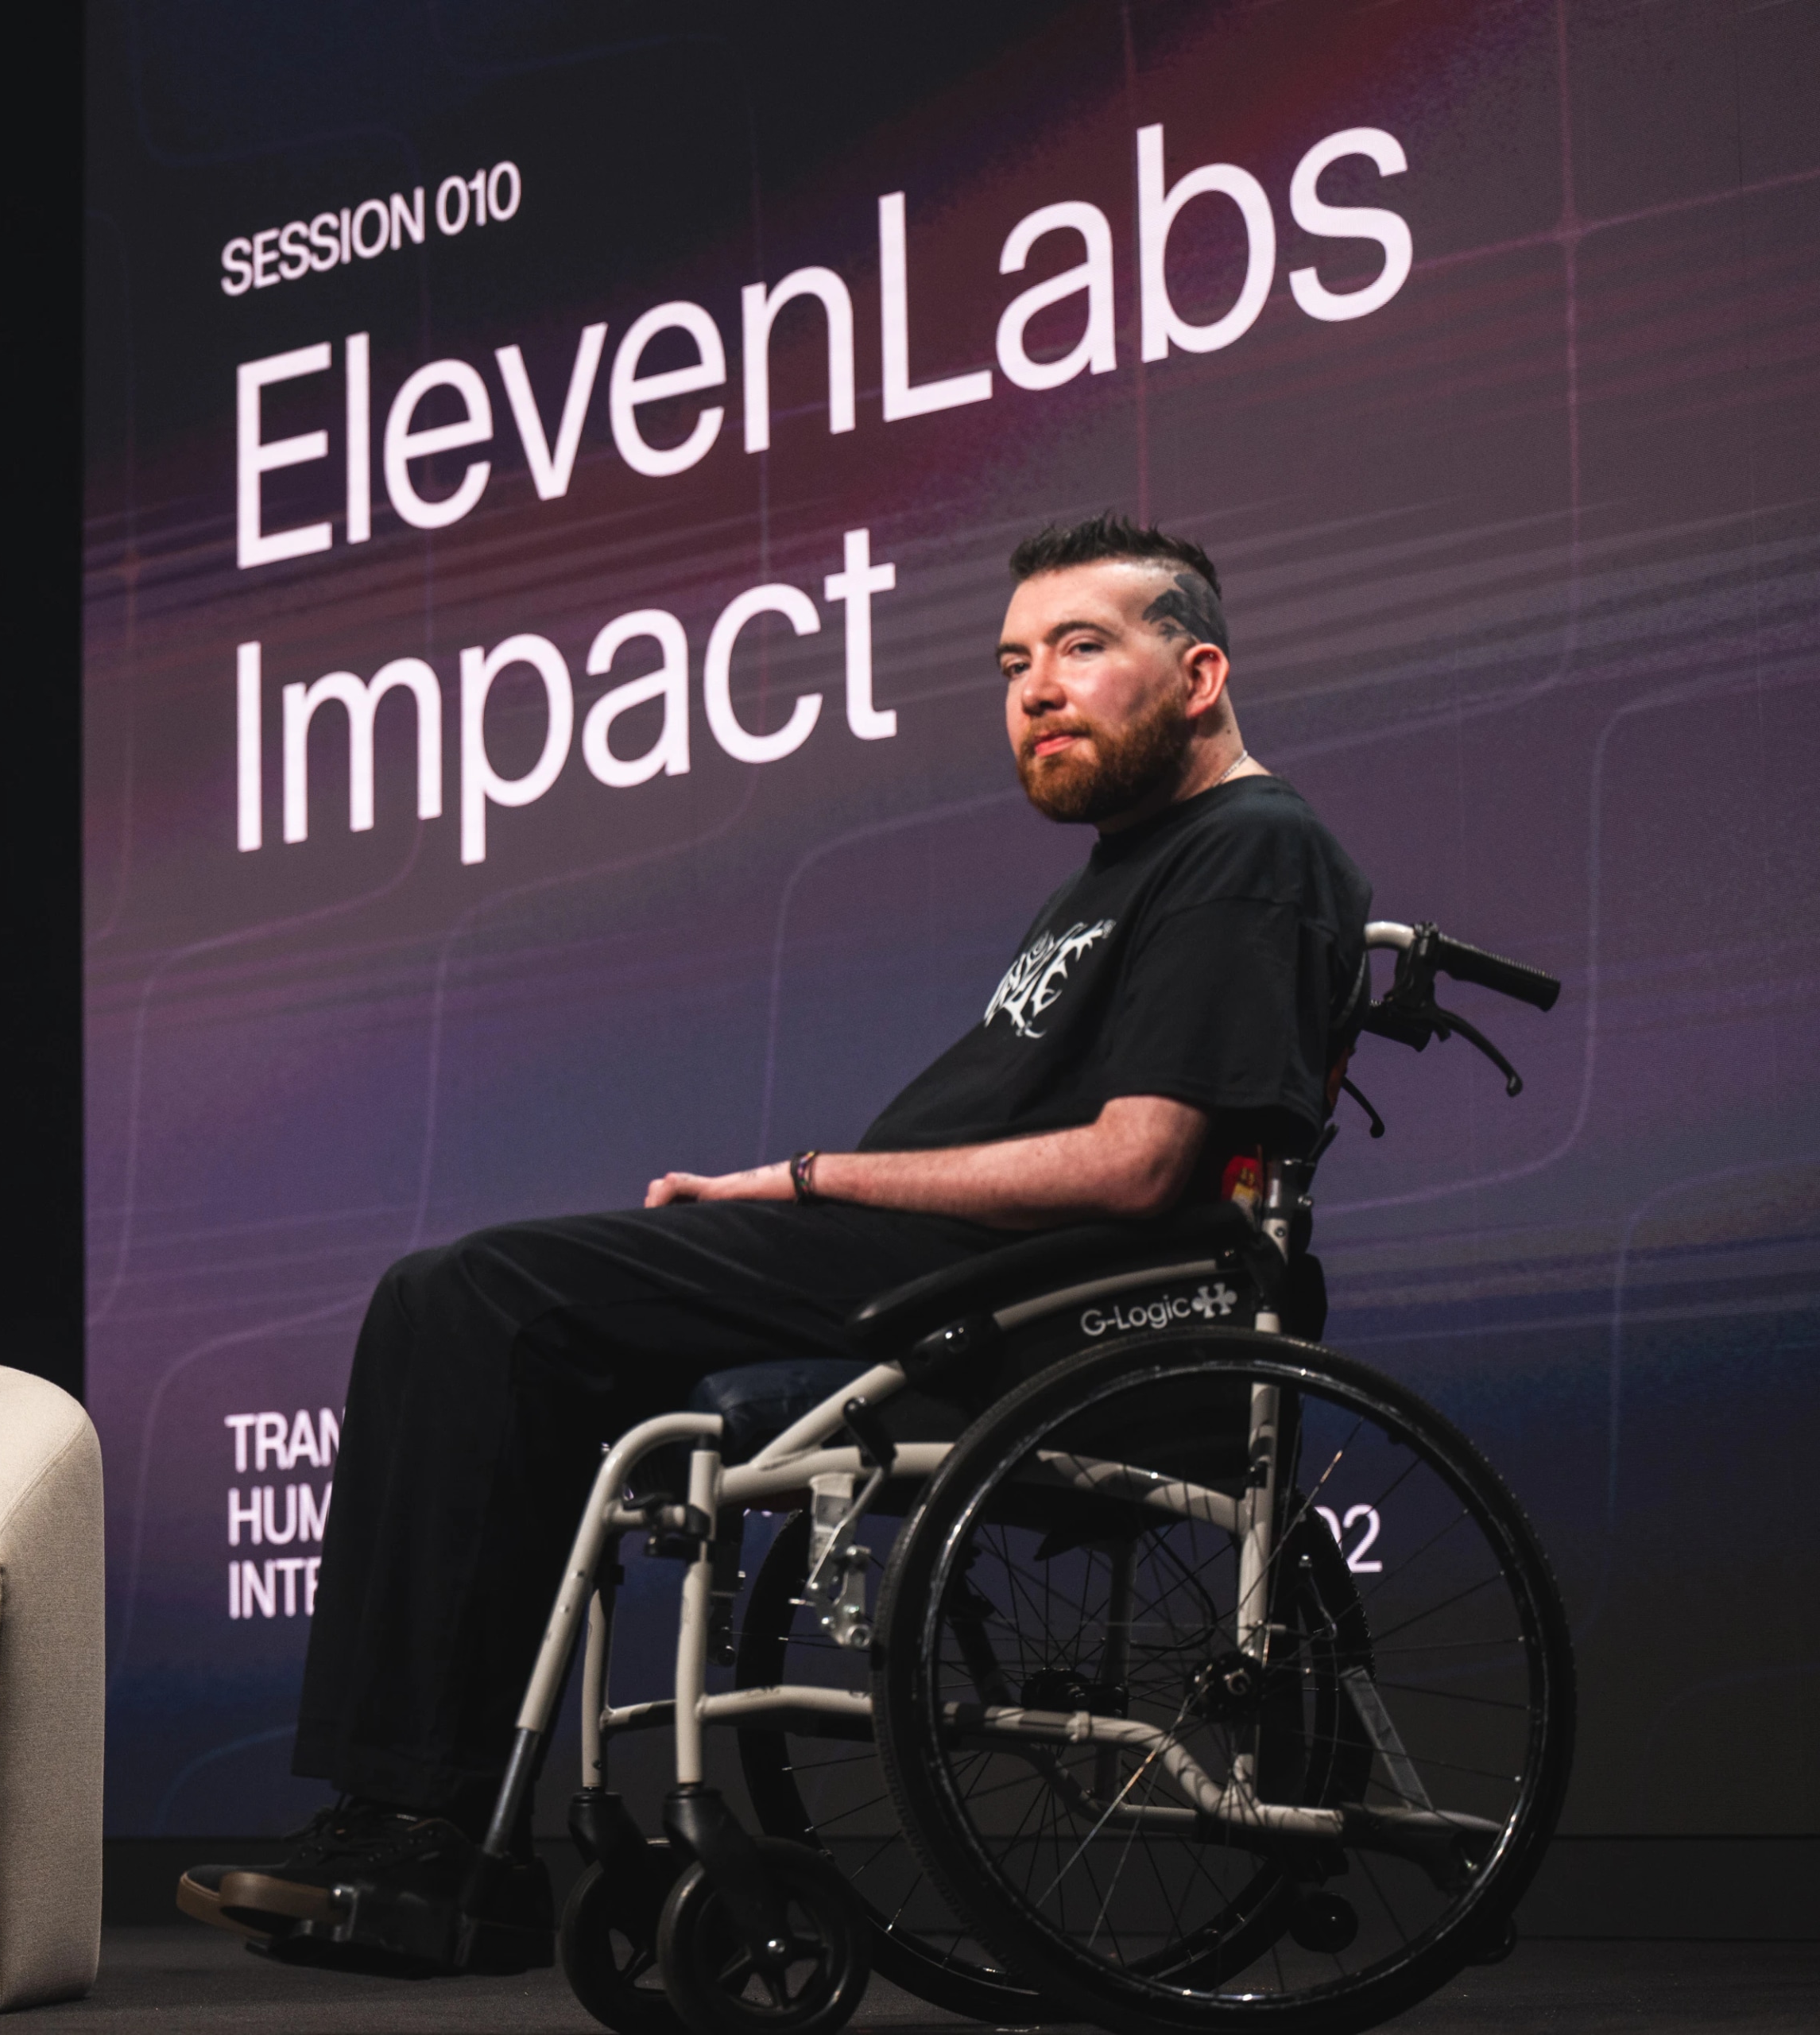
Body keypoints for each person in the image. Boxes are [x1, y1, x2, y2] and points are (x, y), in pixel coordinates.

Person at [176, 512, 1375, 1962]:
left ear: (1198, 675)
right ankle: (452, 1848)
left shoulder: (1251, 846)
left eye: (1081, 648)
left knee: (469, 1299)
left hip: (1030, 1300)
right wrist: (793, 1190)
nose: (1035, 689)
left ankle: (423, 1840)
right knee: (515, 1356)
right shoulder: (1114, 874)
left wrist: (810, 1182)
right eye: (1011, 662)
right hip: (926, 1271)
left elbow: (1139, 1168)